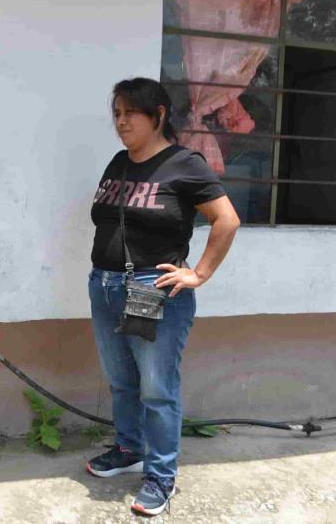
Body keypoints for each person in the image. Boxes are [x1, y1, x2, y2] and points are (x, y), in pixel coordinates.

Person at [87, 78, 240, 516]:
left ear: (158, 115)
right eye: (116, 113)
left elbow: (226, 220)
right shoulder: (119, 162)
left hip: (154, 289)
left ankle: (161, 475)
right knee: (121, 381)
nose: (121, 122)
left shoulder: (185, 164)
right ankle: (129, 449)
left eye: (130, 113)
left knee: (157, 388)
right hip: (105, 285)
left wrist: (200, 273)